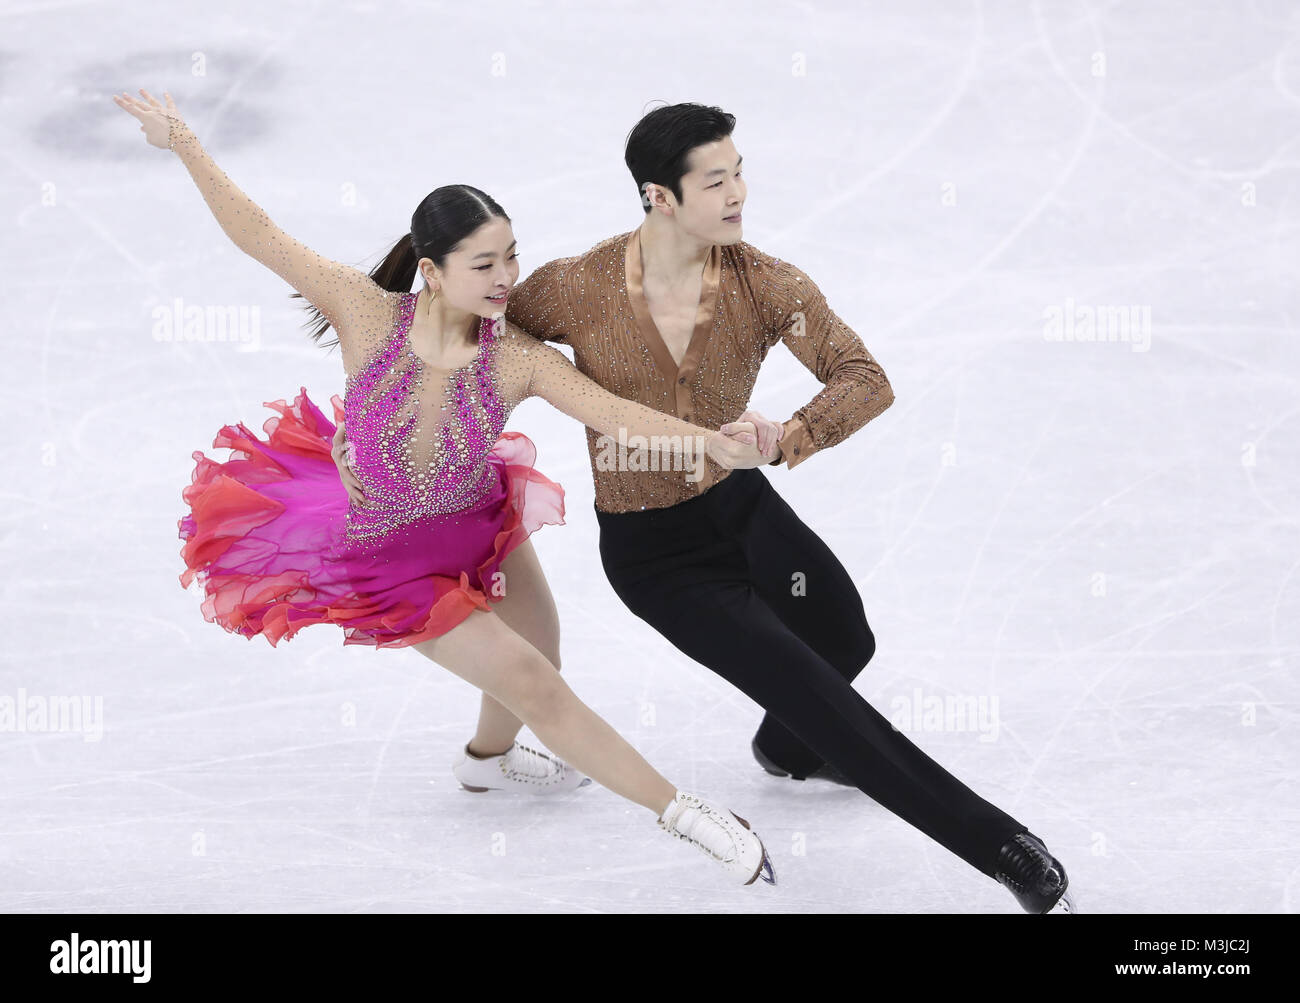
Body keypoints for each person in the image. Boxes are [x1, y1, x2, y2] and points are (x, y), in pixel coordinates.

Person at [333, 102, 1076, 914]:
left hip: (744, 506)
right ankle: (1003, 848)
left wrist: (790, 433)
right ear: (660, 196)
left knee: (845, 635)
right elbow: (461, 336)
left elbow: (866, 376)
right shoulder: (572, 290)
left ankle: (785, 747)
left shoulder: (767, 285)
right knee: (830, 704)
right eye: (715, 180)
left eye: (739, 172)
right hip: (659, 559)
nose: (738, 194)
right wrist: (370, 442)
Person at [113, 87, 778, 887]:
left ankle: (486, 762)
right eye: (486, 263)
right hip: (393, 563)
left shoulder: (517, 357)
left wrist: (714, 444)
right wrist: (183, 142)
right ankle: (693, 817)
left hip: (477, 520)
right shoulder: (365, 312)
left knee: (541, 655)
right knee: (532, 681)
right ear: (431, 270)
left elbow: (617, 414)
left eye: (513, 257)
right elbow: (258, 234)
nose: (508, 278)